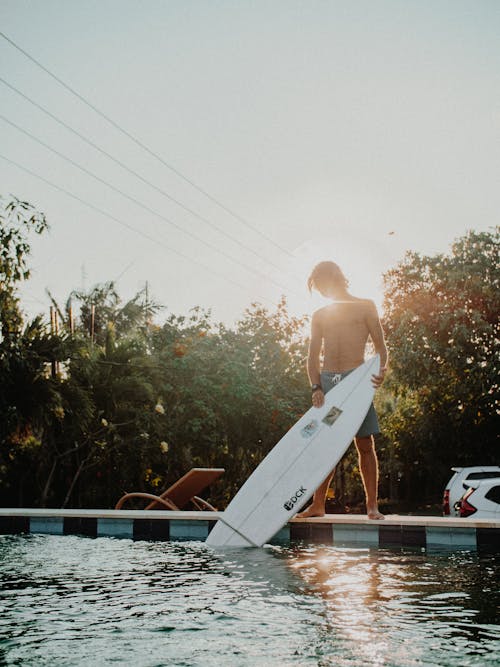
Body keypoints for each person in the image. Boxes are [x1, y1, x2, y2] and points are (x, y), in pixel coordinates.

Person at [297, 260, 388, 520]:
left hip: (356, 384)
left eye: (321, 285)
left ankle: (372, 506)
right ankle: (318, 505)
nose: (321, 291)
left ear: (334, 278)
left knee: (364, 443)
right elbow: (312, 357)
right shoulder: (320, 315)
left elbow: (381, 348)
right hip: (331, 387)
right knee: (325, 442)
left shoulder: (365, 306)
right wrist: (316, 386)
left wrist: (381, 371)